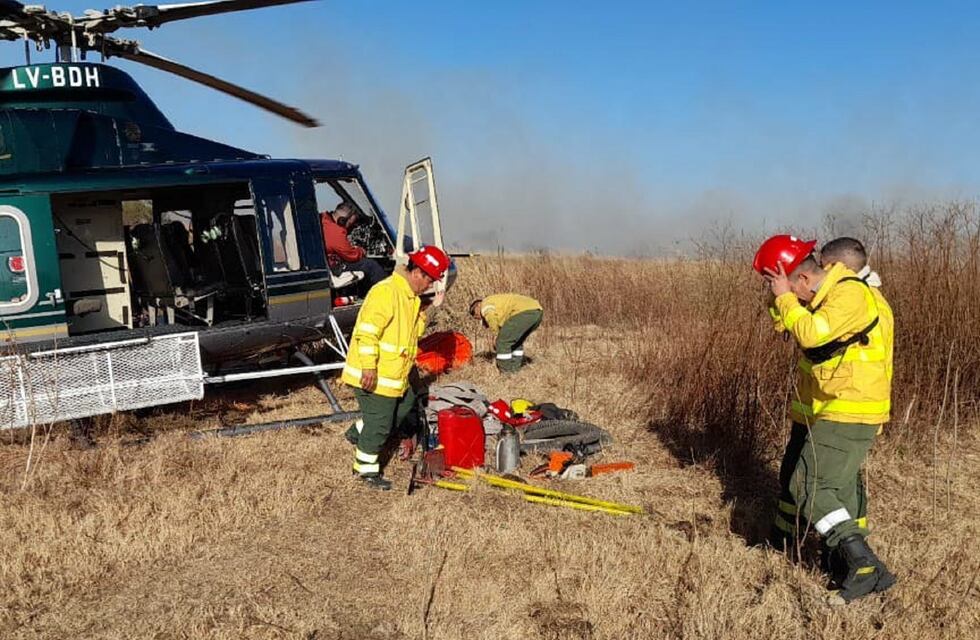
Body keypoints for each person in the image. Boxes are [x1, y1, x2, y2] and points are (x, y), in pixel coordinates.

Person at [755, 234, 896, 603]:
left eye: (788, 286)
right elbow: (794, 326)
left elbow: (813, 334)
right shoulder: (829, 296)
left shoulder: (849, 294)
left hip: (851, 408)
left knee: (810, 485)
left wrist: (785, 297)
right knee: (833, 486)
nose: (786, 295)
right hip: (832, 406)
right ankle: (842, 559)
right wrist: (781, 302)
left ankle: (862, 563)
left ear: (801, 279)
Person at [341, 245, 450, 490]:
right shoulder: (387, 292)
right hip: (374, 373)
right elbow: (367, 332)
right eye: (430, 280)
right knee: (381, 425)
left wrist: (427, 308)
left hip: (395, 374)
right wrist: (369, 367)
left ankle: (358, 432)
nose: (430, 285)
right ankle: (365, 469)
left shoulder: (410, 297)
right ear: (418, 273)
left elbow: (413, 332)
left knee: (404, 406)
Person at [468, 294, 543, 372]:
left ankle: (505, 372)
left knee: (502, 341)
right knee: (516, 341)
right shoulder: (496, 303)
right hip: (537, 312)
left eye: (476, 315)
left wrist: (496, 335)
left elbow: (489, 315)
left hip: (524, 312)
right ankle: (515, 369)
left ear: (478, 306)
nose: (479, 318)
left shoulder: (485, 304)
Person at [320, 202, 385, 286]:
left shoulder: (323, 219)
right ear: (342, 220)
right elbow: (351, 256)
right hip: (334, 267)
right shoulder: (335, 231)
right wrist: (361, 251)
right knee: (370, 265)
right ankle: (388, 293)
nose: (348, 228)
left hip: (326, 263)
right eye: (350, 224)